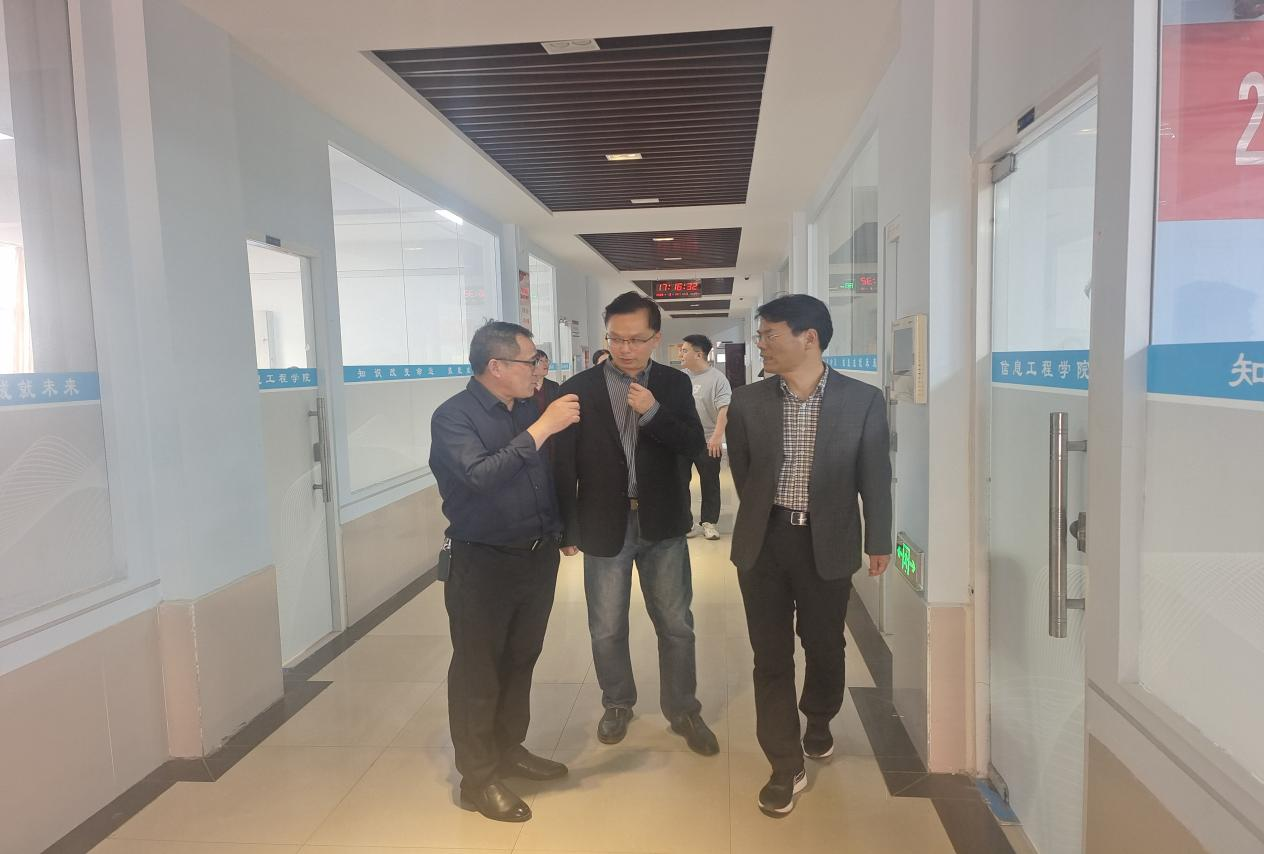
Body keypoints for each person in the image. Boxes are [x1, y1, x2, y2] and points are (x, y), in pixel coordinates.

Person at [725, 294, 892, 818]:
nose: (761, 344)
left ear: (809, 338)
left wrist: (879, 539)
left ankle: (818, 717)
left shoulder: (862, 400)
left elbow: (875, 476)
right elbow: (744, 473)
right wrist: (762, 518)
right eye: (760, 334)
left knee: (824, 644)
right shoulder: (748, 401)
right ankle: (784, 764)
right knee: (769, 655)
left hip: (829, 539)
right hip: (764, 542)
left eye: (769, 334)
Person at [553, 291, 718, 755]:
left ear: (656, 339)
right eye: (616, 338)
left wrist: (654, 412)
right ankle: (617, 702)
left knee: (676, 624)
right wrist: (568, 527)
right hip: (604, 522)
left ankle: (683, 709)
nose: (625, 349)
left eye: (636, 339)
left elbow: (692, 444)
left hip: (662, 522)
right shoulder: (580, 388)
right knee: (606, 626)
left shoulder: (673, 383)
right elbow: (564, 463)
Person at [429, 321, 582, 823]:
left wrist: (560, 530)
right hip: (482, 562)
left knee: (521, 659)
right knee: (478, 668)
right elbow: (480, 476)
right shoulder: (454, 417)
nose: (538, 369)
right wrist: (542, 430)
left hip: (535, 557)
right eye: (530, 360)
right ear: (496, 366)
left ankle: (509, 749)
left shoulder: (526, 409)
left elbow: (544, 480)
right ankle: (478, 778)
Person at [678, 334, 732, 541]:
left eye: (685, 351)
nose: (681, 354)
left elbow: (724, 409)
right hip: (683, 440)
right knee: (680, 481)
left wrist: (717, 437)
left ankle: (709, 522)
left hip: (708, 440)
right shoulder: (681, 378)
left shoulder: (717, 379)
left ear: (699, 354)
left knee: (710, 482)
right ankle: (686, 523)